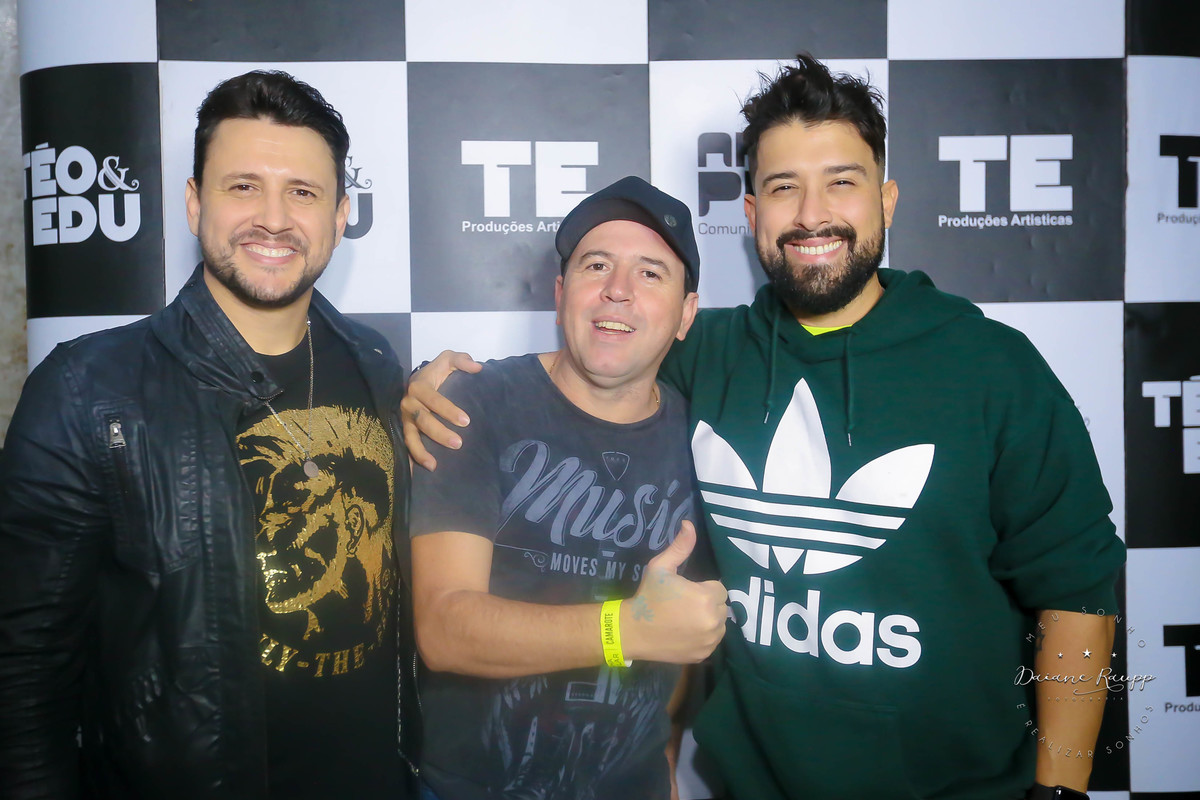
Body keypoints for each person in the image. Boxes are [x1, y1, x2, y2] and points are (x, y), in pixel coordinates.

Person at [403, 56, 1126, 800]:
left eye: (841, 182)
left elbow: (1078, 596)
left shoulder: (992, 367)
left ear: (886, 200)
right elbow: (598, 357)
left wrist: (1060, 791)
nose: (812, 215)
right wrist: (433, 383)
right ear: (751, 214)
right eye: (784, 187)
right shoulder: (709, 352)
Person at [0, 71, 417, 799]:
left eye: (303, 192)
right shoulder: (86, 390)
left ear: (342, 215)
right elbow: (24, 672)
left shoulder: (375, 363)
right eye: (243, 186)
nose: (274, 219)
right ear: (195, 203)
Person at [409, 176, 727, 800]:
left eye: (651, 273)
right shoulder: (473, 403)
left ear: (686, 314)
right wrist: (624, 630)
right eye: (596, 265)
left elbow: (684, 627)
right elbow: (443, 627)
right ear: (560, 295)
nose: (617, 290)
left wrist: (664, 759)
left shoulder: (705, 438)